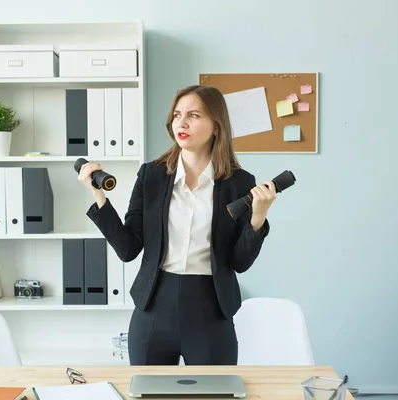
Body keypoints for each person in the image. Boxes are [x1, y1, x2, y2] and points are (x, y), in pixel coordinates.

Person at [77, 85, 277, 366]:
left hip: (212, 310)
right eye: (176, 115)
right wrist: (98, 194)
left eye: (193, 115)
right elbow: (128, 248)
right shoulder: (152, 175)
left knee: (215, 397)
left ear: (216, 126)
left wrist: (258, 217)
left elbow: (239, 262)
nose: (181, 123)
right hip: (154, 308)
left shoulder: (239, 182)